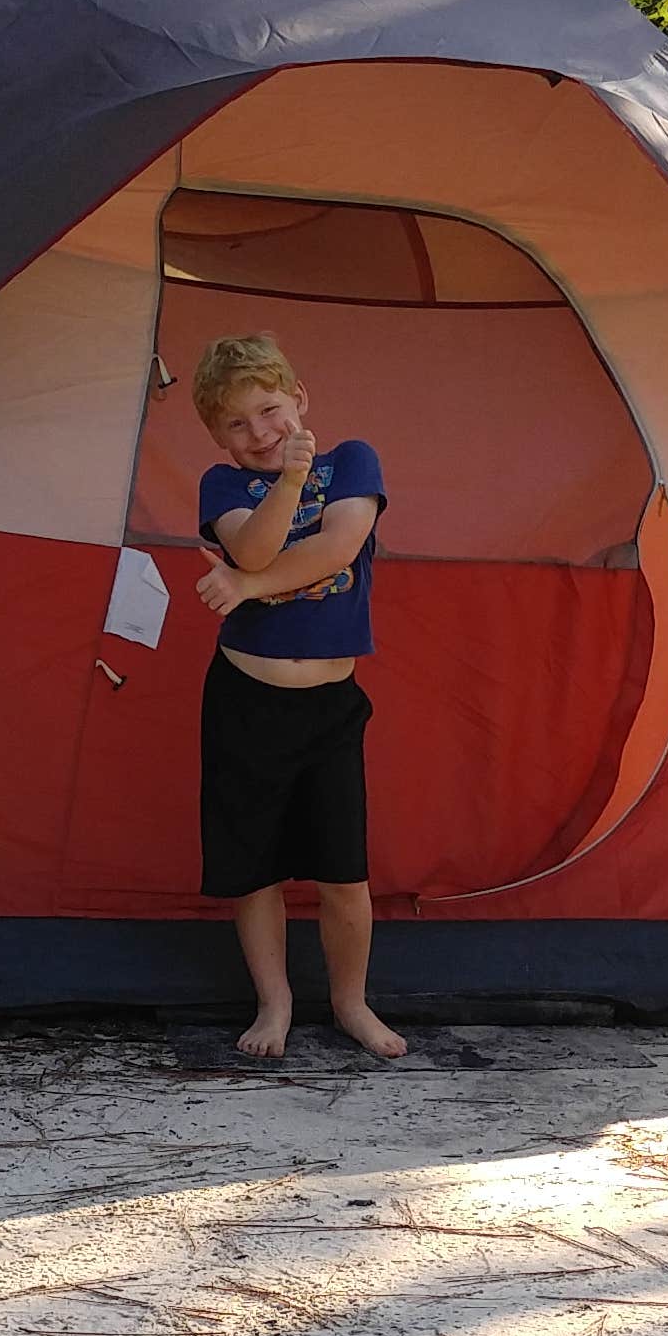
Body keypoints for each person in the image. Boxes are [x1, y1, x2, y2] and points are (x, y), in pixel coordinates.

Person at [189, 333, 406, 1064]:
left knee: (345, 868)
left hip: (330, 706)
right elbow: (251, 545)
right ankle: (274, 1000)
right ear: (218, 437)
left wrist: (245, 586)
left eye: (270, 411)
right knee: (255, 868)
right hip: (246, 700)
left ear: (300, 399)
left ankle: (350, 1001)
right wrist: (284, 484)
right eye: (239, 425)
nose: (260, 434)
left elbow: (340, 545)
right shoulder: (222, 485)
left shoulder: (352, 460)